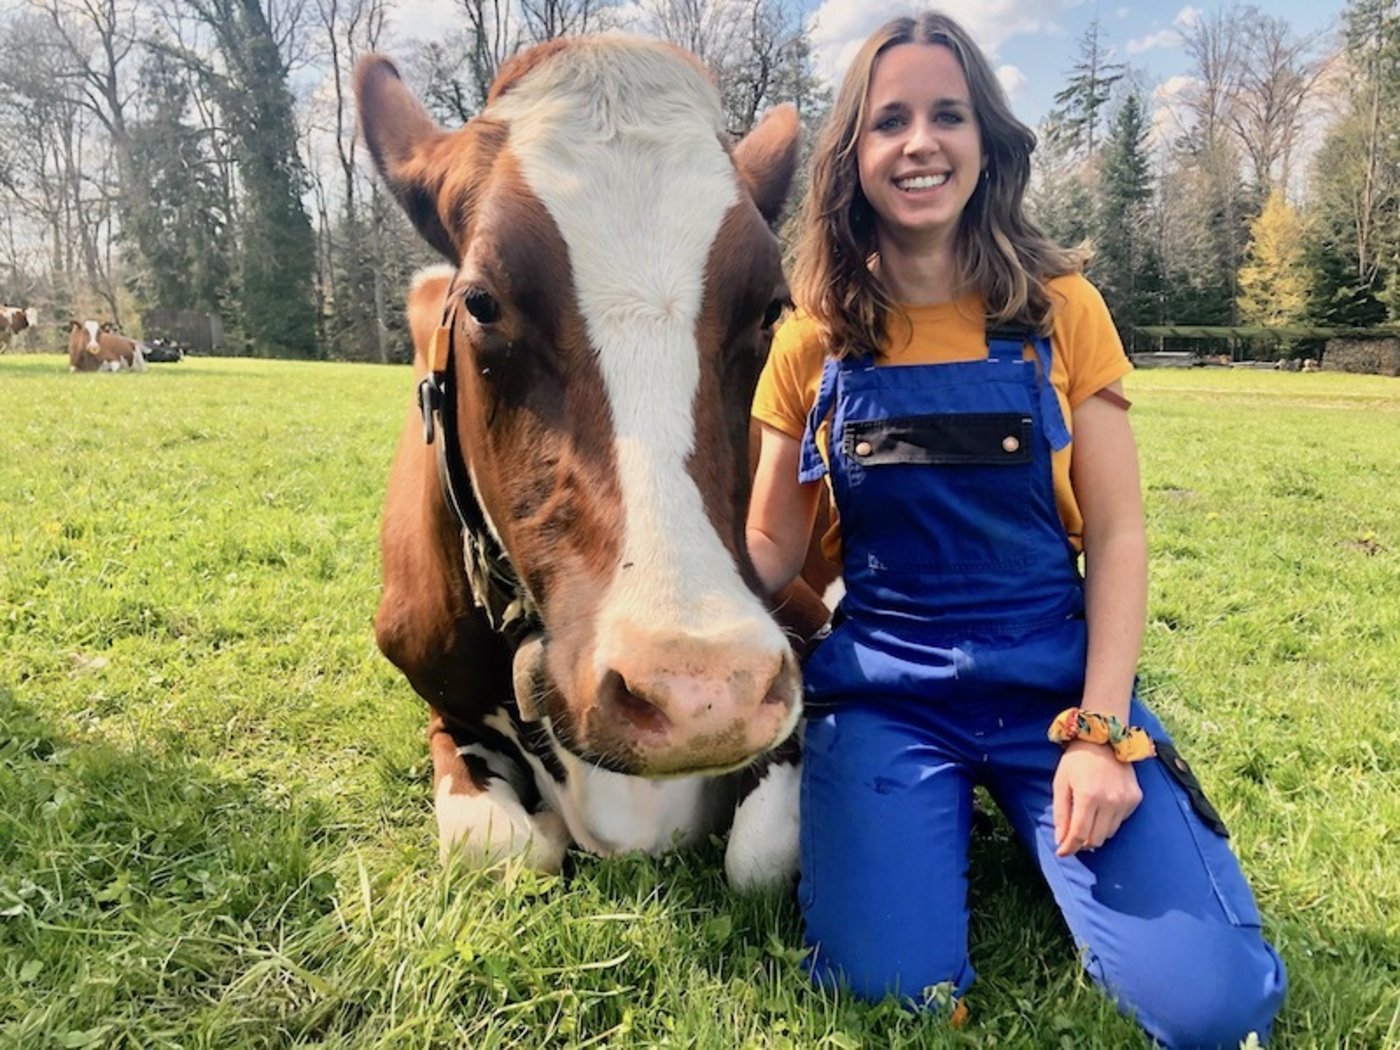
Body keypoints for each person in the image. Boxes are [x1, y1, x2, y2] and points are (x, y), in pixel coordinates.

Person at [745, 12, 1286, 1048]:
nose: (918, 143)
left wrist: (1098, 731)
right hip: (884, 701)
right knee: (886, 1000)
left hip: (1055, 691)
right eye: (886, 119)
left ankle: (1065, 823)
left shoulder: (1059, 310)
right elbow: (765, 553)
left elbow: (1118, 538)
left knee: (1211, 1008)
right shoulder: (809, 342)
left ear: (985, 141)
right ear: (850, 155)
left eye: (946, 115)